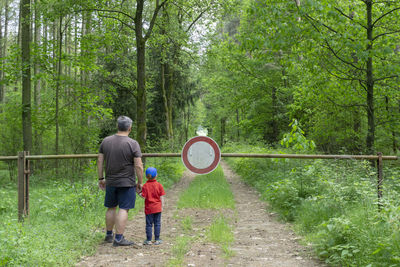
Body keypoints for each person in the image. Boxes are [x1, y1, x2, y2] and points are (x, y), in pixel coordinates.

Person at [97, 115, 143, 247]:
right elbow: (138, 165)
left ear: (117, 126)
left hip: (110, 181)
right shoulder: (133, 143)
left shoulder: (105, 141)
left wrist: (101, 178)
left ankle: (109, 235)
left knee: (111, 207)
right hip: (127, 182)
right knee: (124, 208)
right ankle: (118, 239)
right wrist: (140, 182)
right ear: (130, 128)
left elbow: (100, 161)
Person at [141, 167, 165, 245]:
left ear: (146, 176)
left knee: (149, 224)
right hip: (157, 208)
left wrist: (138, 193)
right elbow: (162, 197)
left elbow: (143, 196)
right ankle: (157, 239)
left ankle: (148, 240)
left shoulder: (145, 186)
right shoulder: (159, 185)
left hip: (149, 209)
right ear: (156, 175)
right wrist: (162, 206)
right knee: (157, 223)